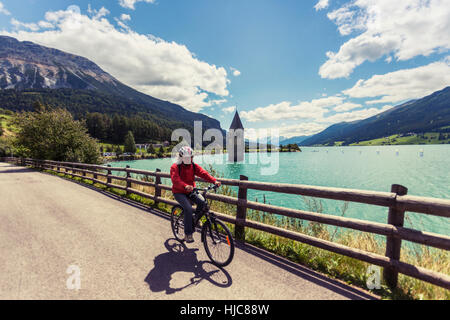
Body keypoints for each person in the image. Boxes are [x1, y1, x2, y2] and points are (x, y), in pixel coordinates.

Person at [170, 146, 221, 243]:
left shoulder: (193, 166)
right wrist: (185, 186)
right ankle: (188, 234)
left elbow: (203, 173)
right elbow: (175, 180)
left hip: (191, 191)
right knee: (188, 208)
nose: (189, 159)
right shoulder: (175, 167)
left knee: (203, 202)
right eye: (187, 157)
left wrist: (214, 181)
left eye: (191, 157)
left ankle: (194, 219)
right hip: (179, 192)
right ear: (181, 157)